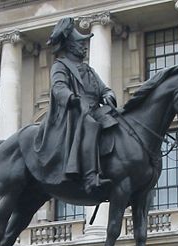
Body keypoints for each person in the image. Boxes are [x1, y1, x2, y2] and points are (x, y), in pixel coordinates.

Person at [31, 17, 118, 195]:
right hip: (74, 113)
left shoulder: (89, 70)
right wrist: (72, 98)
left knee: (119, 121)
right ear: (70, 45)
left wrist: (109, 95)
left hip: (94, 110)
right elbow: (58, 87)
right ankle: (90, 177)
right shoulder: (60, 66)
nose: (84, 46)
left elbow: (104, 89)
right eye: (81, 43)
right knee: (91, 125)